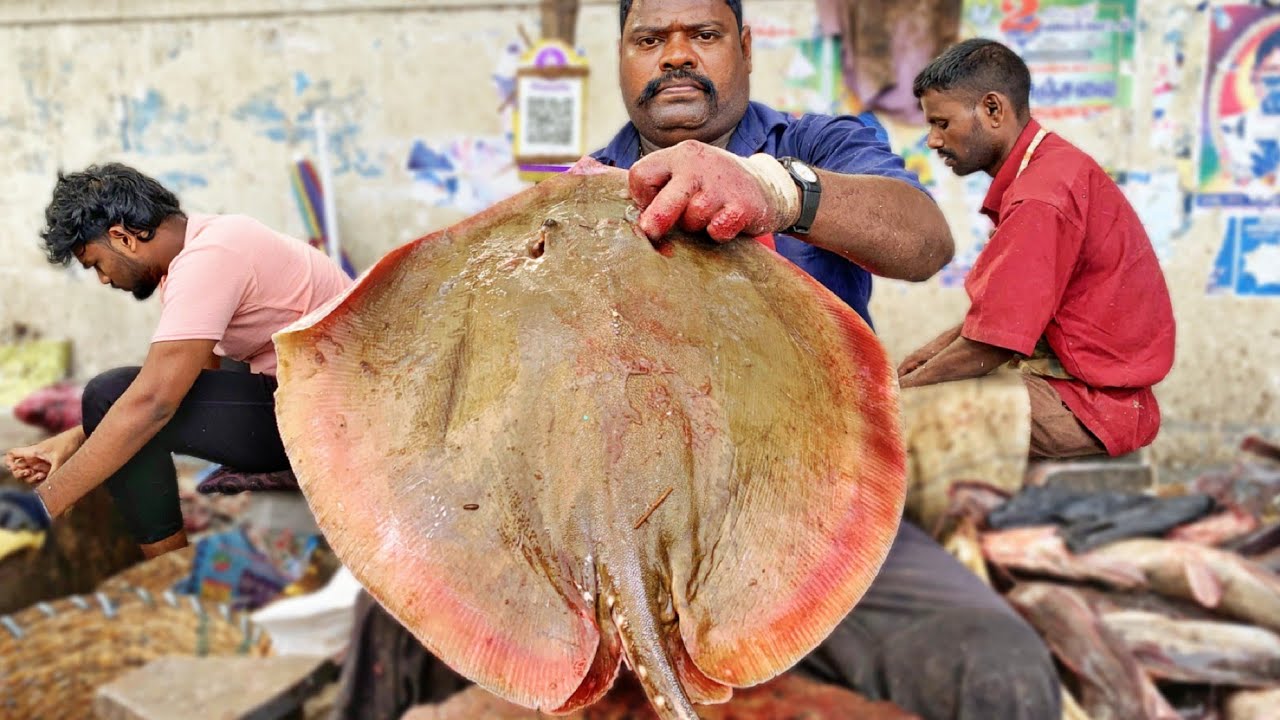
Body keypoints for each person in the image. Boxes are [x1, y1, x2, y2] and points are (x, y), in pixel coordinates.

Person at [332, 3, 1061, 720]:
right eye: (650, 38)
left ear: (745, 47)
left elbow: (924, 239)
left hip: (807, 500)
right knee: (385, 623)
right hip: (585, 515)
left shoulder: (817, 144)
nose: (676, 55)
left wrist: (777, 190)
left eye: (704, 34)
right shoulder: (577, 192)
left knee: (994, 656)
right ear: (622, 56)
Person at [2, 163, 352, 558]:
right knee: (132, 399)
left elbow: (156, 403)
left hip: (327, 418)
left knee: (110, 394)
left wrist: (42, 504)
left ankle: (168, 570)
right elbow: (194, 382)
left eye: (96, 263)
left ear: (122, 238)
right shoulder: (208, 245)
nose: (103, 279)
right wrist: (76, 438)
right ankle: (172, 565)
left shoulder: (210, 257)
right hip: (317, 402)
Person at [901, 38, 1176, 464]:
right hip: (1095, 391)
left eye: (942, 123)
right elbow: (1002, 318)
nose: (933, 140)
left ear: (993, 110)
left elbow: (992, 344)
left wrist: (899, 392)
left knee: (900, 419)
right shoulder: (1048, 167)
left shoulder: (1041, 196)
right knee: (915, 380)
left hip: (1090, 404)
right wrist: (923, 359)